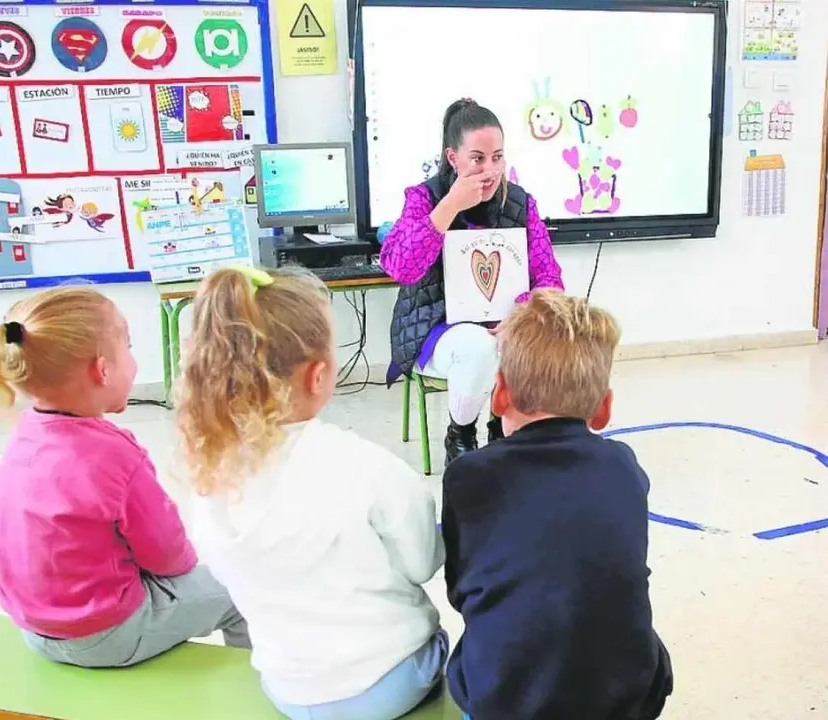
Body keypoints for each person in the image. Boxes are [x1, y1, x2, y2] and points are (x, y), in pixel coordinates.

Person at [177, 266, 446, 720]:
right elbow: (424, 562)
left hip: (287, 689)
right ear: (318, 376)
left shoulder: (208, 474)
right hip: (389, 683)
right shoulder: (364, 465)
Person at [0, 286, 249, 668]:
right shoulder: (115, 453)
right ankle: (253, 684)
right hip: (105, 634)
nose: (132, 358)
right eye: (128, 347)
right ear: (102, 369)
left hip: (34, 629)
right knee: (243, 591)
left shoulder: (23, 437)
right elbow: (168, 556)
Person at [442, 289, 674, 720]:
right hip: (627, 699)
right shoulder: (623, 465)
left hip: (505, 704)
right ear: (604, 408)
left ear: (499, 395)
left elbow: (462, 592)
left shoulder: (466, 475)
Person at [380, 98, 565, 465]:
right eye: (477, 158)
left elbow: (549, 278)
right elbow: (401, 267)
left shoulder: (520, 203)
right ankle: (461, 434)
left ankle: (503, 427)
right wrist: (449, 206)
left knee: (532, 339)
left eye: (498, 157)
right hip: (436, 328)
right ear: (453, 158)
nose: (490, 169)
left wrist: (523, 313)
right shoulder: (423, 198)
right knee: (478, 346)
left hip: (501, 326)